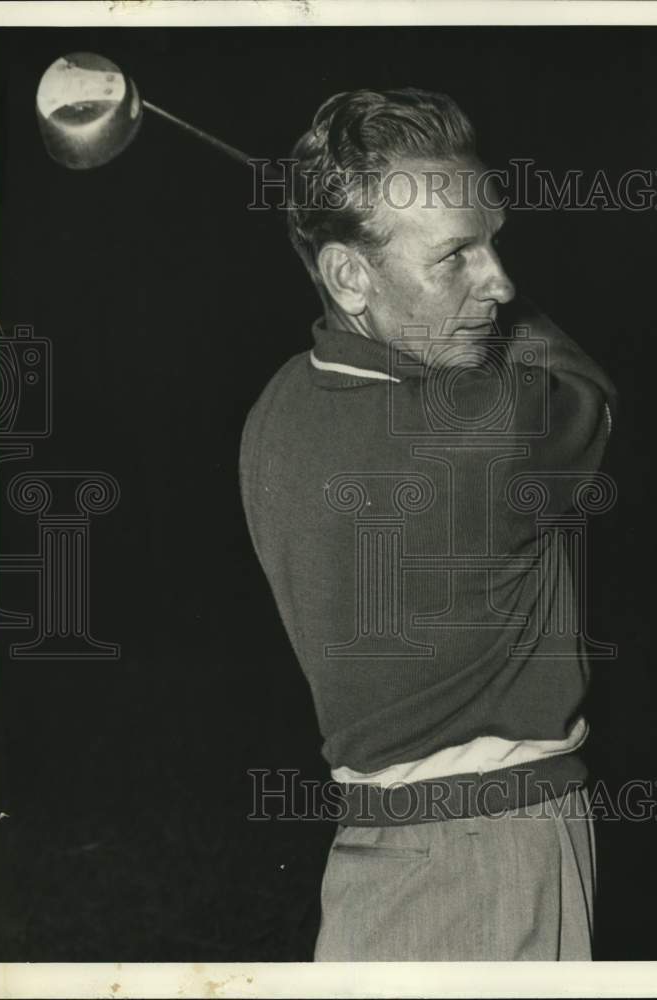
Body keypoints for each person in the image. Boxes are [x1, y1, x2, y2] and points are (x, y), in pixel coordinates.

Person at [239, 88, 617, 961]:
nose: (501, 280)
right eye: (457, 257)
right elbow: (588, 395)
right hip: (495, 855)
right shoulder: (484, 431)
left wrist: (441, 274)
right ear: (347, 275)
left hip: (375, 858)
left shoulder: (276, 411)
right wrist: (506, 326)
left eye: (495, 240)